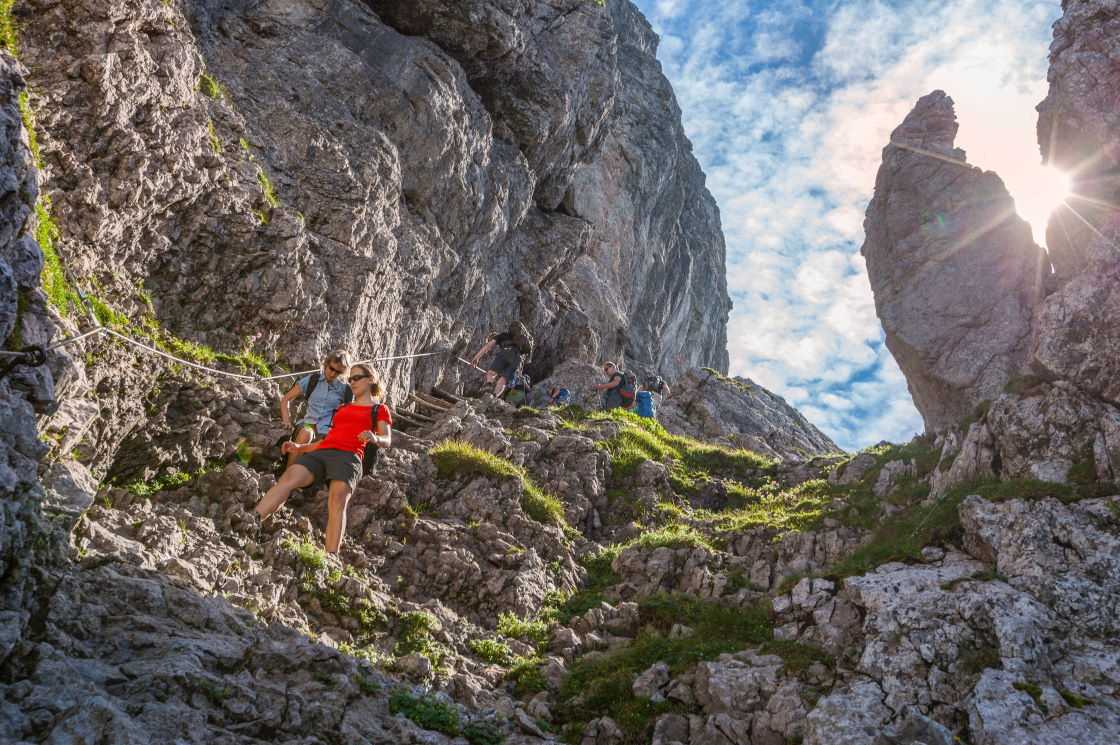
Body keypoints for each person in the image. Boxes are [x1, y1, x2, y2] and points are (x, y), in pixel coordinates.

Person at [253, 364, 392, 554]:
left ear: (370, 379)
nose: (351, 382)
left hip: (349, 456)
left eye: (356, 378)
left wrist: (375, 438)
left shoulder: (379, 409)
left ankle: (330, 557)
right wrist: (300, 447)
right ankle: (253, 521)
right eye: (350, 379)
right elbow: (329, 439)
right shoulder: (342, 409)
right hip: (323, 451)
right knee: (289, 478)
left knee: (337, 501)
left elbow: (387, 439)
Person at [278, 350, 351, 468]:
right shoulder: (313, 380)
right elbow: (286, 399)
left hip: (327, 432)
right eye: (331, 368)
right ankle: (288, 473)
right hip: (308, 424)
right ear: (326, 364)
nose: (333, 374)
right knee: (306, 433)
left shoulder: (345, 390)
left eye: (338, 372)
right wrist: (286, 420)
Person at [470, 323, 533, 398]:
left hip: (505, 352)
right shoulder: (516, 340)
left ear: (492, 337)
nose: (490, 350)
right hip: (517, 359)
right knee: (503, 380)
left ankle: (488, 386)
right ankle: (493, 397)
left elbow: (488, 345)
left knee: (491, 373)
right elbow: (526, 359)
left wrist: (476, 358)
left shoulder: (500, 336)